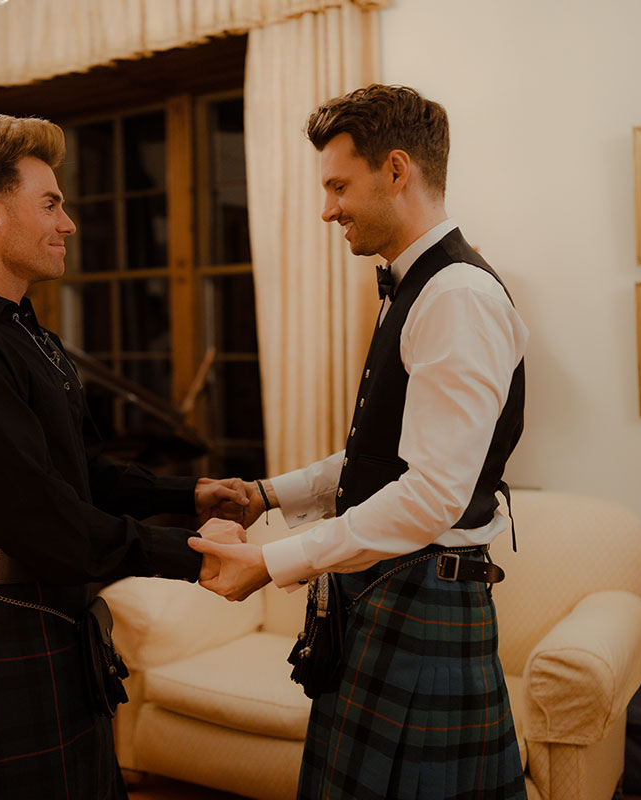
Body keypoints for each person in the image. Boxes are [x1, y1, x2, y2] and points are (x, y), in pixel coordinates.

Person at [189, 85, 528, 799]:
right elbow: (385, 460)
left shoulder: (456, 296)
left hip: (424, 604)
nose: (327, 209)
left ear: (396, 170)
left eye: (338, 186)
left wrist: (272, 562)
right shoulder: (417, 287)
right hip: (390, 594)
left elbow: (430, 496)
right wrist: (266, 495)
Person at [0, 114, 248, 800]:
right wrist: (192, 554)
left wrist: (188, 494)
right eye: (51, 204)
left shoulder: (33, 339)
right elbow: (41, 517)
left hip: (57, 619)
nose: (70, 224)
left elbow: (86, 474)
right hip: (2, 627)